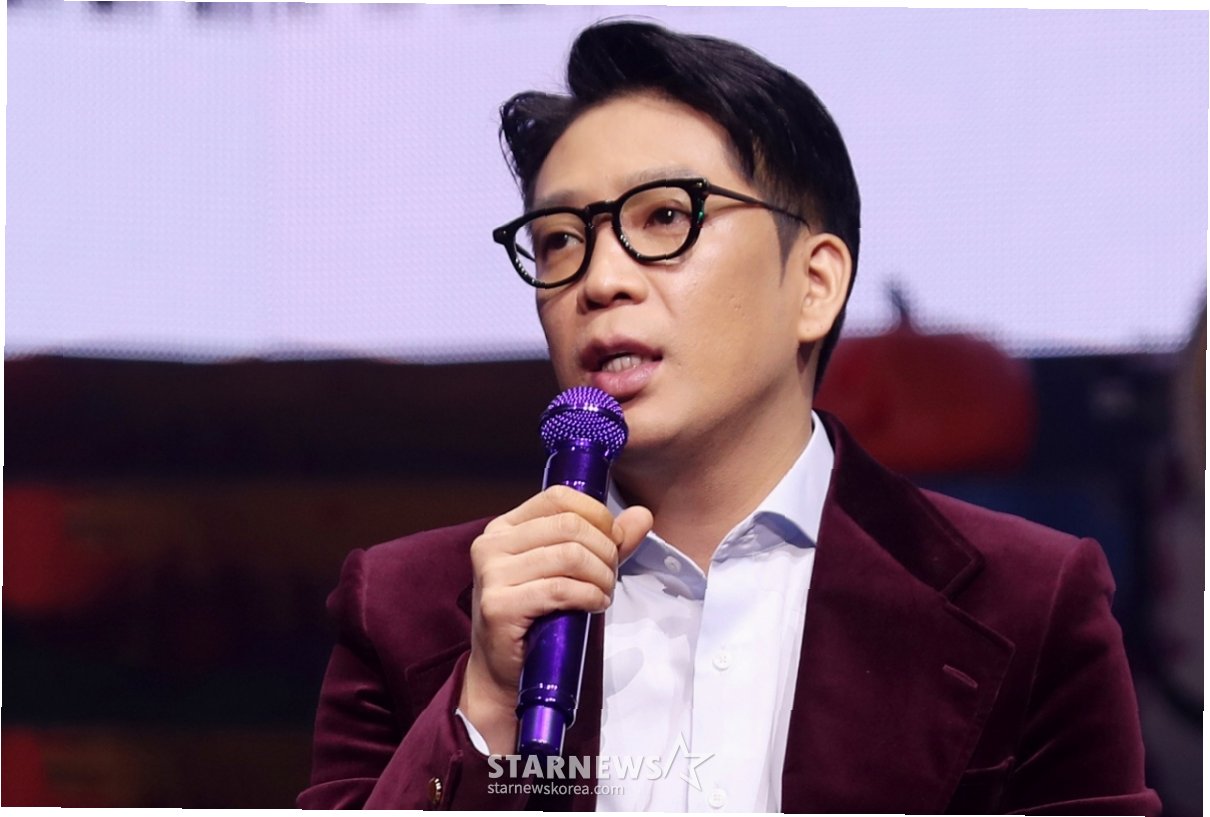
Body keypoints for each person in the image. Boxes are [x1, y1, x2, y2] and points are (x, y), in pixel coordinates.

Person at [298, 20, 1159, 813]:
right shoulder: (405, 607)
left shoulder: (1029, 600)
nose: (599, 280)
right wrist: (485, 706)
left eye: (665, 218)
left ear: (814, 284)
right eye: (560, 239)